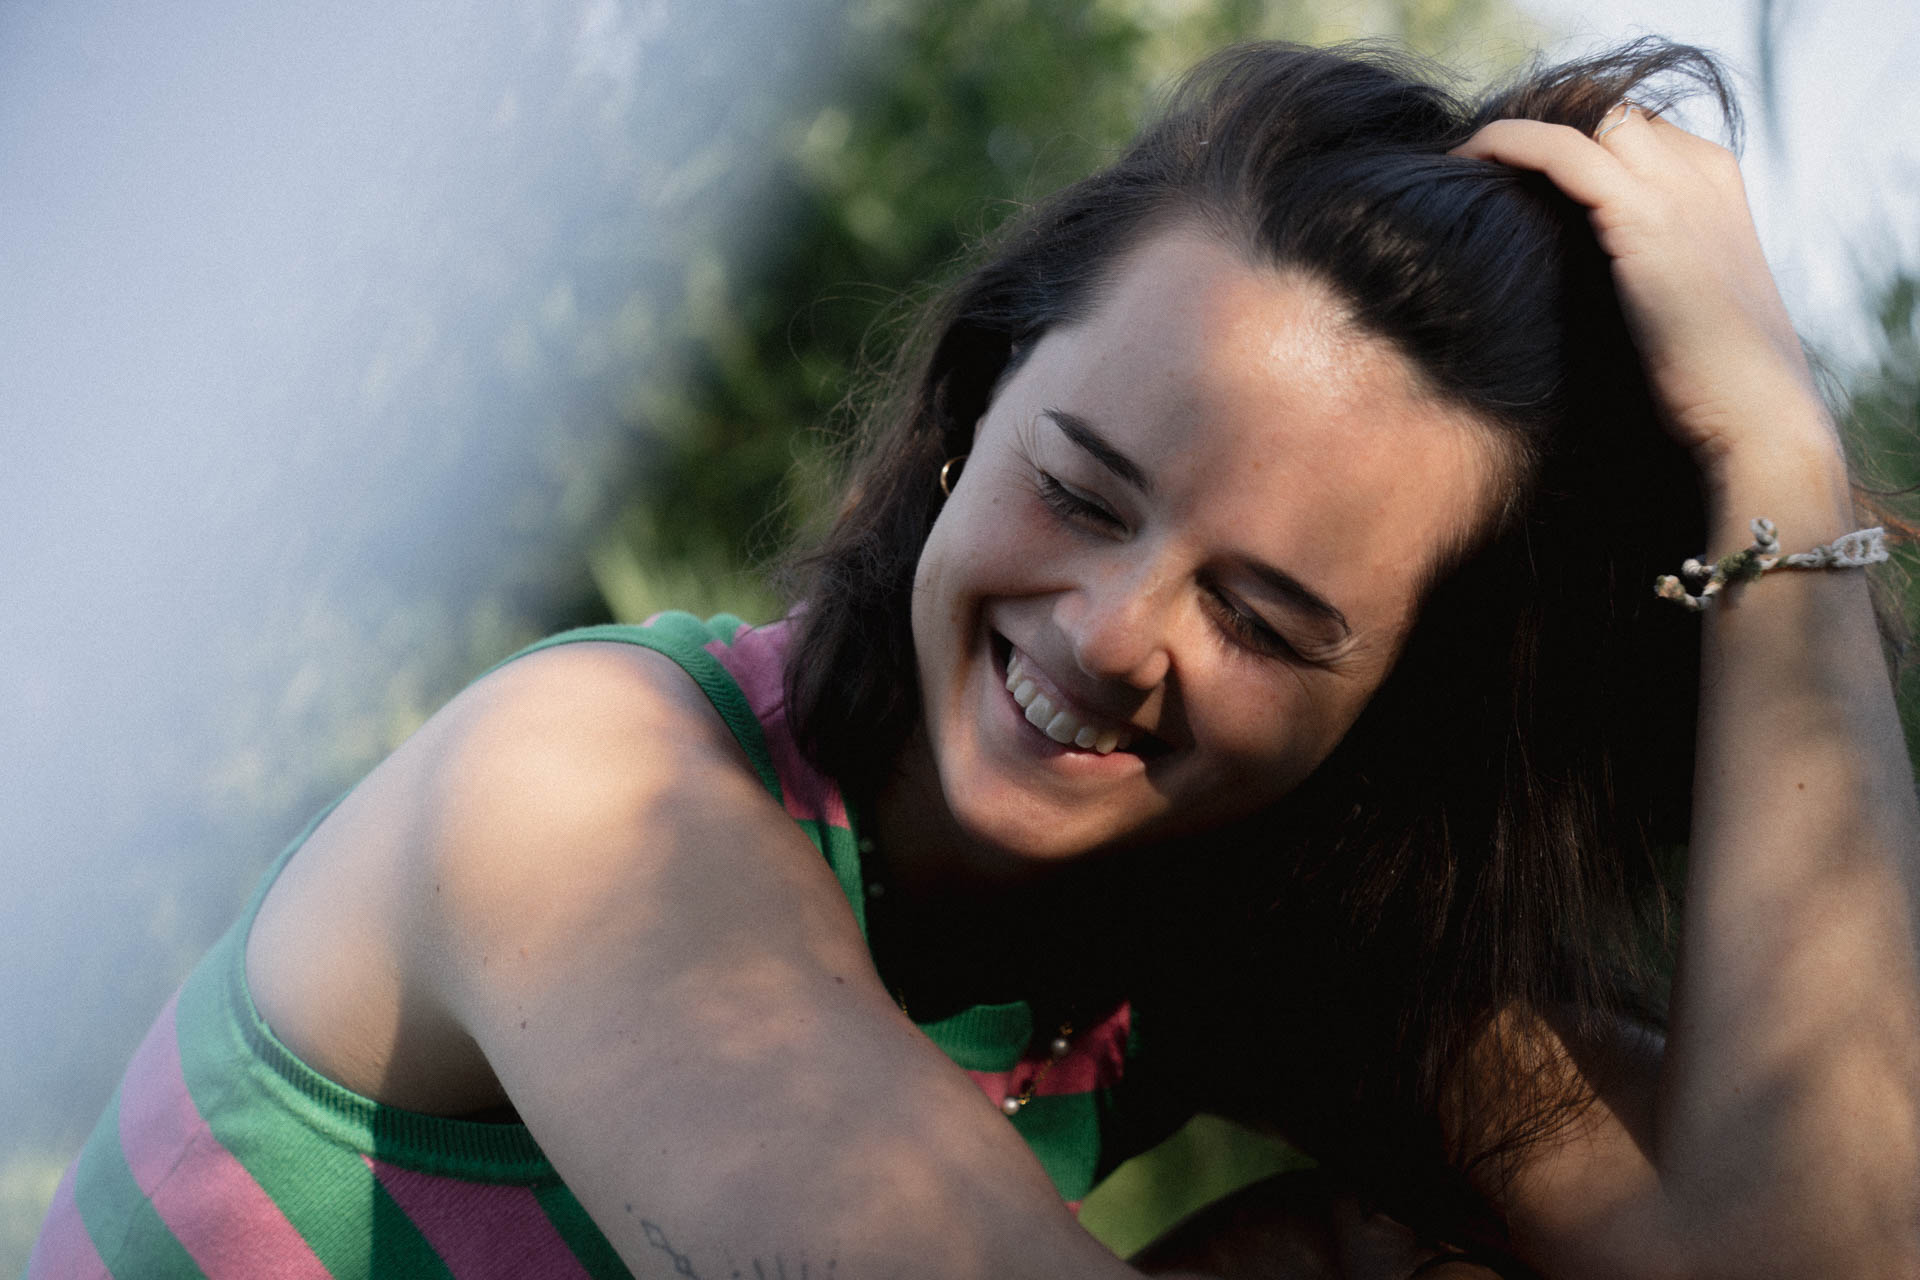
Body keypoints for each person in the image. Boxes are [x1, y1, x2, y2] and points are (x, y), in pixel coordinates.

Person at [29, 36, 1920, 1280]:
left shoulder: (1210, 932)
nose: (1113, 639)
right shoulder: (582, 793)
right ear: (971, 402)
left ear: (1390, 715)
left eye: (1265, 620)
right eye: (1080, 489)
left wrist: (1780, 474)